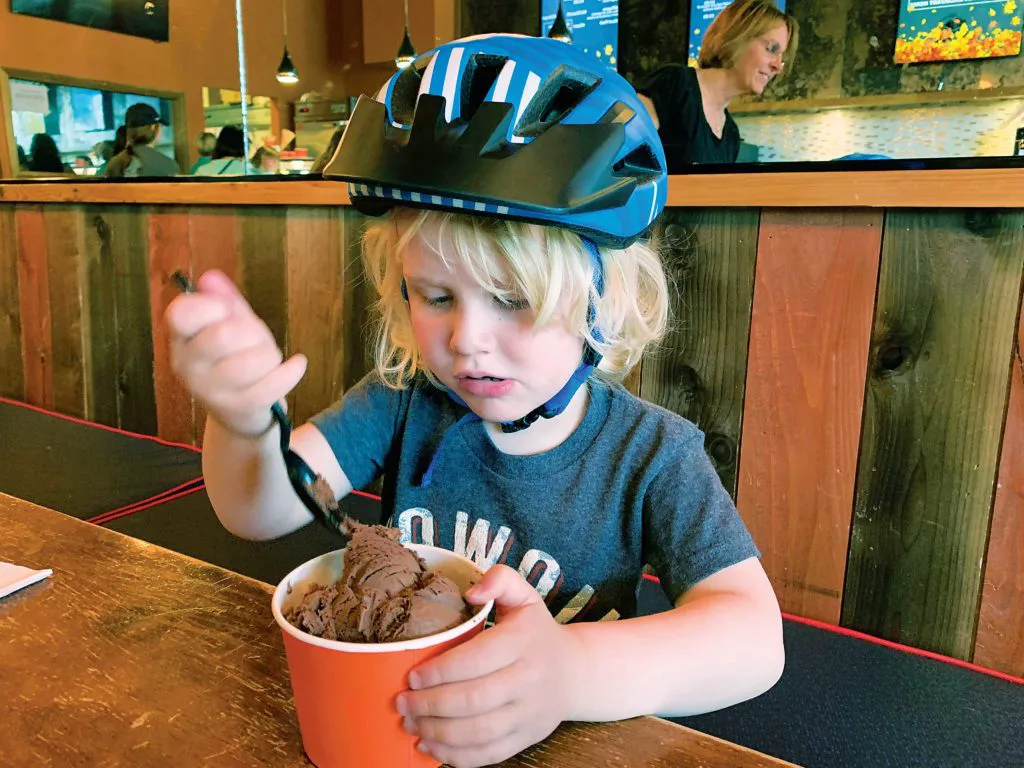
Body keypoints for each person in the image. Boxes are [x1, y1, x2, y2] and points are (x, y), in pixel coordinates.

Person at [166, 34, 783, 768]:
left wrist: (570, 672)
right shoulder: (402, 402)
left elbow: (753, 640)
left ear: (602, 302)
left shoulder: (651, 454)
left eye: (514, 300)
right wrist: (241, 424)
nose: (468, 340)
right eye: (434, 296)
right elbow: (259, 510)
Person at [636, 0, 798, 168]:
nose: (778, 66)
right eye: (771, 49)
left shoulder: (731, 136)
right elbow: (617, 153)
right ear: (738, 36)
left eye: (782, 59)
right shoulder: (676, 84)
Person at [102, 103, 180, 178]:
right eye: (160, 126)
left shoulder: (114, 163)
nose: (161, 131)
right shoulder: (167, 164)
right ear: (153, 127)